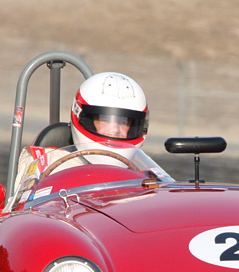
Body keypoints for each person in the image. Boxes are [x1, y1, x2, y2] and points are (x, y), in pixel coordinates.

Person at [13, 72, 171, 202]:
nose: (115, 129)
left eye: (123, 122)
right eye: (105, 120)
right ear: (82, 117)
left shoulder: (148, 173)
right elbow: (23, 215)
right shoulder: (44, 164)